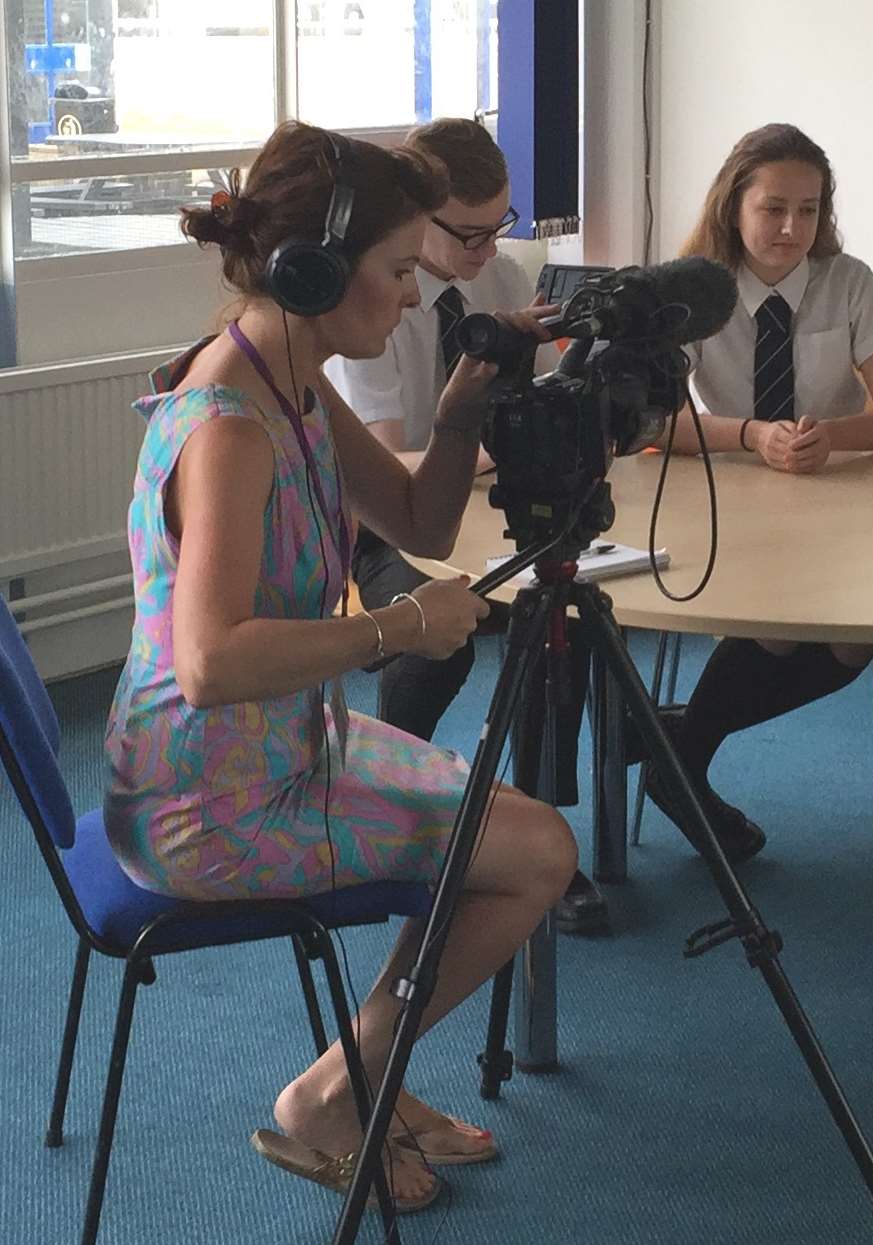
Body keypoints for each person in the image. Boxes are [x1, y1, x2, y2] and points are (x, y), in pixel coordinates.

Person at [103, 122, 578, 1209]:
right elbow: (215, 660)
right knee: (538, 853)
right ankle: (336, 1092)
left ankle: (369, 1069)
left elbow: (416, 513)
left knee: (513, 838)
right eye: (400, 269)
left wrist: (461, 408)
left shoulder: (293, 382)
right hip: (210, 798)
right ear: (314, 270)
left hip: (286, 744)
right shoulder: (234, 423)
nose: (415, 297)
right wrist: (398, 631)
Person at [321, 117, 608, 932]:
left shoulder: (503, 275)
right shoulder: (371, 301)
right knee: (431, 629)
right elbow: (393, 475)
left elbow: (545, 391)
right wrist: (484, 437)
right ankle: (378, 784)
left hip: (488, 498)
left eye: (500, 226)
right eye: (468, 233)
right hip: (389, 524)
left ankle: (545, 821)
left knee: (566, 616)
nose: (488, 248)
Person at [640, 122, 873, 861]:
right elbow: (657, 423)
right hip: (732, 493)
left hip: (839, 493)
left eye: (810, 209)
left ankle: (677, 744)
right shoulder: (693, 285)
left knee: (851, 644)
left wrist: (832, 433)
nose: (793, 227)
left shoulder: (848, 280)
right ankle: (684, 759)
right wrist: (751, 436)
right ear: (735, 205)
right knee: (777, 624)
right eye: (773, 208)